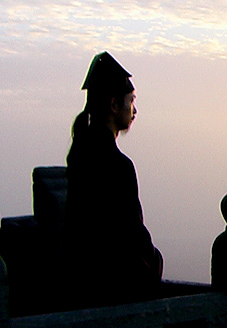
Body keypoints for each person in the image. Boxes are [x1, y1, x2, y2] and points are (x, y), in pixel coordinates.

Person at [64, 51, 163, 307]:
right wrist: (154, 263)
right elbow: (133, 236)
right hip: (111, 288)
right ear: (113, 105)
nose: (135, 110)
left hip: (81, 281)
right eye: (131, 101)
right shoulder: (118, 165)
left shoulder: (78, 156)